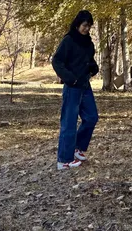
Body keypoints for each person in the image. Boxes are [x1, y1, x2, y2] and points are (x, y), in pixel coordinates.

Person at [52, 9, 100, 170]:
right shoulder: (69, 40)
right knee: (69, 123)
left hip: (85, 86)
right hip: (72, 87)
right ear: (78, 24)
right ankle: (64, 160)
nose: (87, 29)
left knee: (92, 117)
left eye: (89, 26)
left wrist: (94, 68)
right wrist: (70, 78)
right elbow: (57, 61)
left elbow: (89, 60)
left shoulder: (88, 43)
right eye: (85, 25)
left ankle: (78, 147)